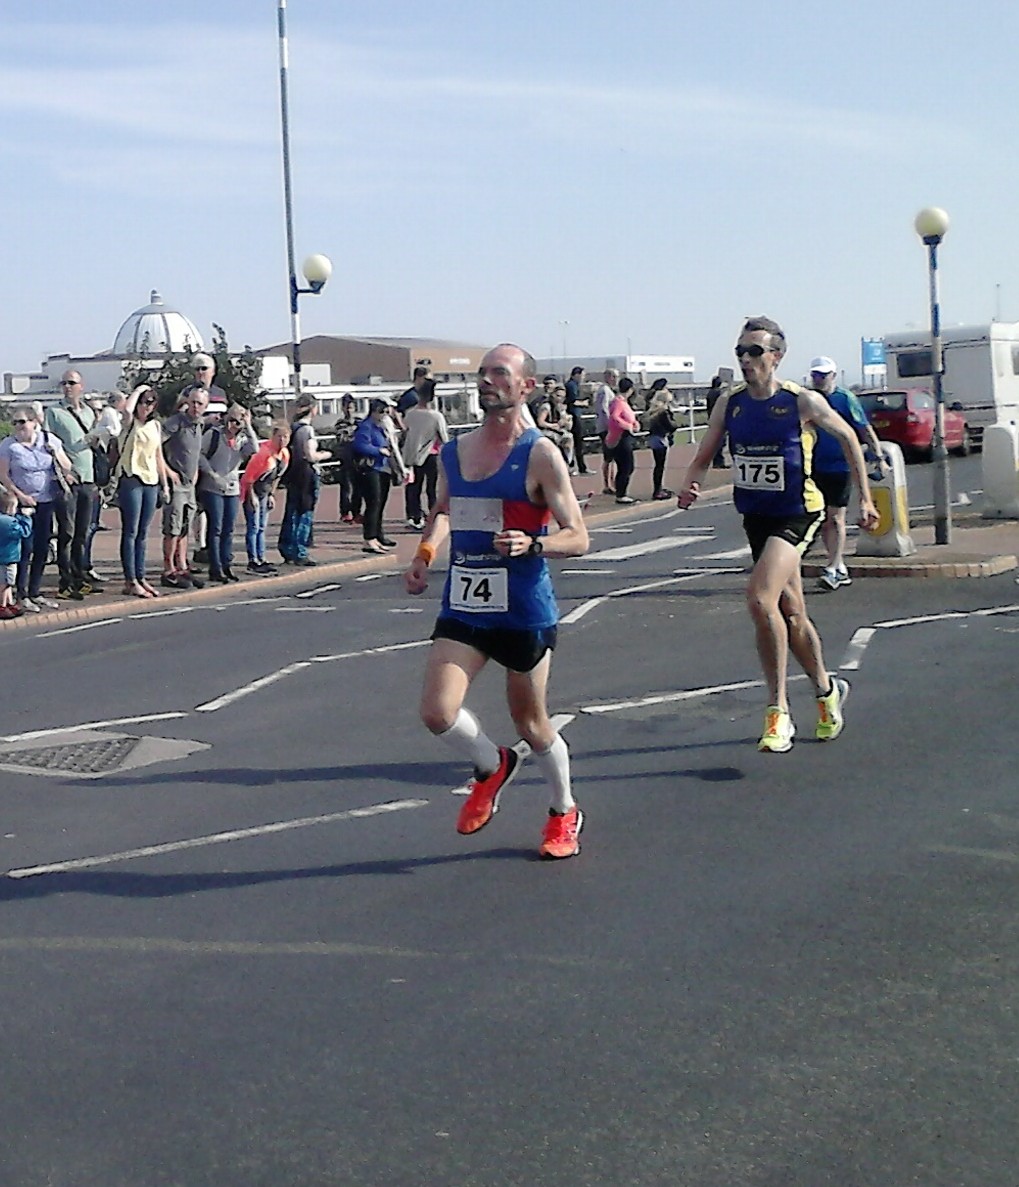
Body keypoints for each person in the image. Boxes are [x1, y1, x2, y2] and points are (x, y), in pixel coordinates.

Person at [404, 342, 590, 860]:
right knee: (437, 712)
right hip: (465, 604)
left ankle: (563, 811)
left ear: (525, 386)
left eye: (499, 373)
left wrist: (535, 543)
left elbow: (579, 536)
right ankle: (491, 764)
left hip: (522, 610)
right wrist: (423, 554)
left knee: (532, 725)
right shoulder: (455, 451)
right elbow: (443, 510)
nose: (487, 381)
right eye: (483, 373)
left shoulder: (540, 453)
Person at [677, 316, 879, 754]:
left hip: (798, 512)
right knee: (790, 613)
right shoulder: (729, 404)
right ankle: (827, 692)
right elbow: (705, 451)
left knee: (760, 598)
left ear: (776, 356)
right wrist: (692, 481)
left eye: (754, 352)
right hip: (757, 516)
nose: (746, 361)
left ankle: (777, 710)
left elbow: (848, 439)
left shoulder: (801, 402)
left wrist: (865, 498)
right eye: (740, 353)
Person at [807, 356, 887, 591]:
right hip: (814, 466)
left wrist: (878, 456)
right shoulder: (809, 399)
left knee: (835, 517)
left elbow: (863, 428)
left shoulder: (845, 398)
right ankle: (838, 565)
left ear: (833, 375)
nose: (819, 379)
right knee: (821, 518)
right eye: (815, 375)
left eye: (823, 375)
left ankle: (833, 566)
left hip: (841, 466)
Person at [0, 405, 73, 612]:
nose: (18, 427)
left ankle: (35, 591)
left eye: (22, 421)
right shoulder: (9, 445)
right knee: (25, 547)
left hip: (47, 499)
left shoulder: (48, 440)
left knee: (42, 546)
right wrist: (20, 495)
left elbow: (66, 464)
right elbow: (3, 475)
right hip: (23, 503)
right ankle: (21, 593)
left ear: (34, 422)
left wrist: (61, 463)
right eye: (15, 422)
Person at [45, 369, 101, 599]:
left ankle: (80, 578)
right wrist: (64, 471)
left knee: (82, 533)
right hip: (68, 481)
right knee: (66, 533)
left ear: (81, 386)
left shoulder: (89, 413)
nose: (67, 387)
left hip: (88, 480)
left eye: (72, 383)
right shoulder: (55, 412)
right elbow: (49, 444)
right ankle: (65, 582)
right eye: (64, 383)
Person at [113, 385, 171, 598]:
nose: (147, 406)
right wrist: (140, 389)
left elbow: (158, 456)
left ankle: (141, 575)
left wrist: (164, 484)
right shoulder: (129, 424)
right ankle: (131, 580)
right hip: (131, 478)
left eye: (151, 402)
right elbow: (127, 411)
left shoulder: (155, 425)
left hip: (151, 480)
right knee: (131, 530)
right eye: (144, 402)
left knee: (143, 533)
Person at [197, 403, 258, 583]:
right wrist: (212, 475)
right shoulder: (214, 435)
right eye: (231, 420)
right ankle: (215, 568)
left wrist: (248, 426)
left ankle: (226, 564)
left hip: (231, 487)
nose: (233, 425)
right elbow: (199, 455)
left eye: (237, 422)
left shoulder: (242, 439)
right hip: (212, 486)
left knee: (228, 529)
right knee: (215, 527)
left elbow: (254, 450)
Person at [160, 385, 209, 589]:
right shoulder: (176, 422)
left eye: (200, 403)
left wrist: (196, 471)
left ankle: (182, 565)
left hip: (190, 484)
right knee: (172, 527)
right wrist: (168, 471)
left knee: (185, 526)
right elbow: (156, 445)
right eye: (193, 402)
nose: (195, 407)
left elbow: (194, 452)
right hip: (176, 483)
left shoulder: (199, 424)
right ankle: (168, 569)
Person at [278, 394, 330, 566]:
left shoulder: (292, 428)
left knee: (292, 511)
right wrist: (325, 454)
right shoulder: (306, 430)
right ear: (313, 408)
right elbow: (310, 455)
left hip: (293, 474)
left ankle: (287, 547)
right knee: (304, 512)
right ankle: (300, 550)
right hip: (306, 474)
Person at [239, 421, 291, 574]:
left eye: (285, 437)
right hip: (253, 490)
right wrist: (251, 496)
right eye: (279, 436)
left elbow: (277, 477)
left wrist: (272, 494)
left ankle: (261, 557)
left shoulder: (285, 455)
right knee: (253, 527)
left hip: (265, 492)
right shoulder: (263, 455)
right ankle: (252, 560)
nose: (282, 440)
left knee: (262, 527)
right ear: (273, 437)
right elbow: (248, 477)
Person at [353, 398, 401, 554]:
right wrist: (378, 450)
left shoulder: (380, 427)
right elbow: (360, 445)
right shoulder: (366, 426)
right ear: (374, 411)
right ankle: (369, 537)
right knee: (373, 503)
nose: (384, 415)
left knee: (380, 503)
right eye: (382, 412)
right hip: (371, 468)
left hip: (382, 468)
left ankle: (378, 535)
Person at [402, 378, 449, 530]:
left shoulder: (410, 414)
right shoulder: (436, 416)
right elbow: (444, 438)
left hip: (413, 456)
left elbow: (405, 433)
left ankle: (414, 517)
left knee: (413, 487)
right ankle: (433, 516)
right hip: (431, 455)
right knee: (432, 488)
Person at [606, 376, 641, 504]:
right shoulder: (619, 402)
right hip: (620, 437)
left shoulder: (623, 402)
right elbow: (614, 417)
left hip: (625, 436)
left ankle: (621, 491)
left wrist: (635, 423)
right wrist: (628, 426)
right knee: (626, 466)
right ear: (630, 389)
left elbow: (627, 417)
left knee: (627, 466)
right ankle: (621, 494)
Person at [0, 491, 32, 620]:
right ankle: (2, 605)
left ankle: (9, 603)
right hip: (9, 557)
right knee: (6, 583)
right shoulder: (10, 523)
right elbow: (24, 532)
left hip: (4, 557)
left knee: (6, 583)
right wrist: (26, 518)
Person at [646, 378, 679, 499]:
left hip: (654, 438)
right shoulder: (663, 412)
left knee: (658, 465)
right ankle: (657, 490)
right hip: (661, 439)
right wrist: (675, 423)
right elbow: (671, 426)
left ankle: (659, 488)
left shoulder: (653, 411)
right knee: (660, 466)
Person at [333, 395, 362, 524]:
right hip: (346, 457)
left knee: (358, 486)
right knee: (346, 486)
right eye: (346, 407)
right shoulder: (340, 423)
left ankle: (356, 512)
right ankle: (344, 512)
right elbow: (341, 439)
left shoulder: (360, 422)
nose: (349, 410)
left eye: (351, 407)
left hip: (358, 458)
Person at [593, 367, 618, 494]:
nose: (616, 380)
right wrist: (610, 425)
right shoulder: (604, 390)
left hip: (606, 427)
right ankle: (608, 484)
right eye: (614, 377)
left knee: (611, 457)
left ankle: (611, 482)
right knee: (608, 457)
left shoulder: (607, 390)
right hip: (606, 427)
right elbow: (603, 409)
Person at [564, 366, 590, 474]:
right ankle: (577, 467)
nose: (584, 377)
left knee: (577, 442)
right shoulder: (571, 385)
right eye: (583, 375)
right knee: (577, 442)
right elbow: (572, 401)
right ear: (577, 374)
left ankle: (579, 466)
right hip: (574, 416)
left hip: (575, 415)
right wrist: (584, 403)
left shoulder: (573, 385)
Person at [705, 373, 728, 468]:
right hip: (720, 418)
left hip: (711, 416)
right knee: (721, 441)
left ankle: (716, 461)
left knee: (715, 439)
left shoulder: (710, 392)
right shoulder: (719, 393)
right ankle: (719, 461)